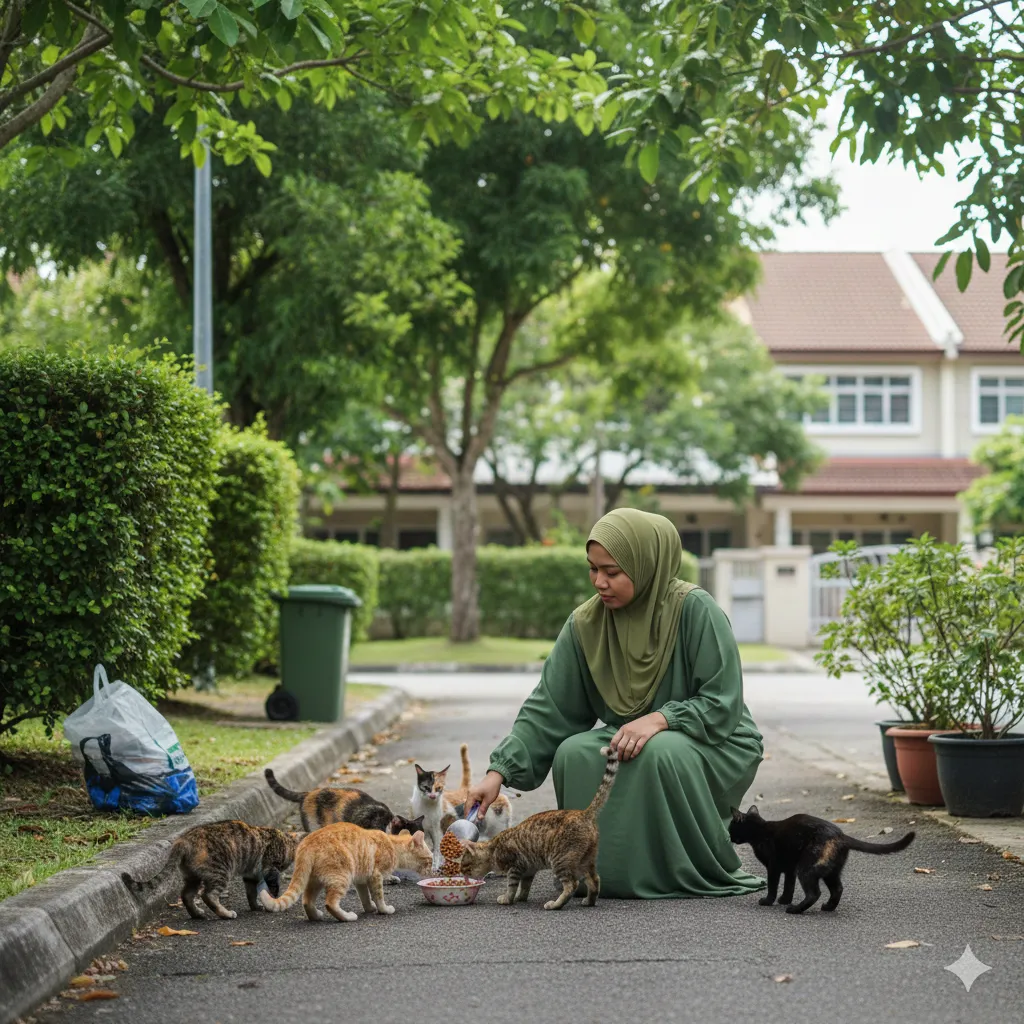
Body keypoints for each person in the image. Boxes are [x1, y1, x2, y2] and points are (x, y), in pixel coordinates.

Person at [467, 508, 766, 899]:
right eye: (592, 569)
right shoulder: (586, 624)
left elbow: (722, 699)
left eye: (612, 572)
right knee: (574, 752)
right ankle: (589, 871)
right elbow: (549, 707)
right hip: (630, 733)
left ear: (646, 566)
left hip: (713, 733)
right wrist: (498, 772)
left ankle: (668, 872)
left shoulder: (695, 610)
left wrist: (661, 718)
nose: (599, 583)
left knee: (659, 752)